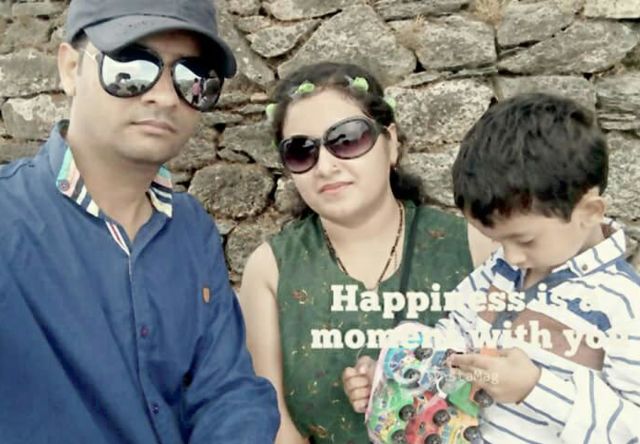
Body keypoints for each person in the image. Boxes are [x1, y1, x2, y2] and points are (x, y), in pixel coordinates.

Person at [0, 0, 279, 443]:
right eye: (130, 66)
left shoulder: (191, 229)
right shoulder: (8, 219)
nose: (164, 96)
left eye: (192, 77)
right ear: (70, 69)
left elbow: (228, 390)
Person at [344, 93, 640, 442]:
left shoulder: (623, 307)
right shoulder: (501, 271)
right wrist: (394, 372)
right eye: (499, 241)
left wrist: (535, 388)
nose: (510, 256)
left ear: (589, 212)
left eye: (525, 240)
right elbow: (452, 339)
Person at [239, 62, 495, 443]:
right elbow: (274, 422)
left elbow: (515, 388)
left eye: (347, 139)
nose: (326, 166)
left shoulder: (474, 247)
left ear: (390, 143)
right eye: (301, 151)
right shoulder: (271, 269)